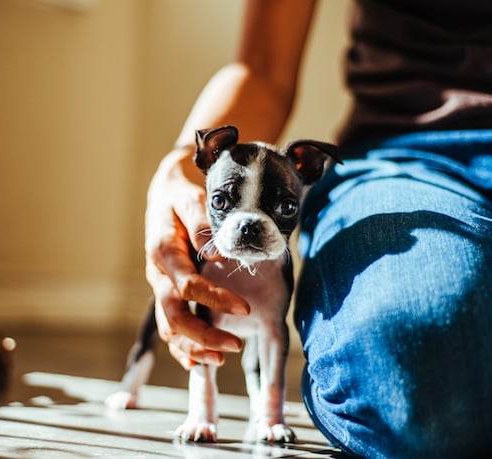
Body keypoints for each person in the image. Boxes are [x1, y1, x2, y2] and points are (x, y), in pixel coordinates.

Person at [144, 0, 492, 457]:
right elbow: (263, 65)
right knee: (412, 389)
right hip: (410, 155)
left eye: (284, 205)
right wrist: (177, 174)